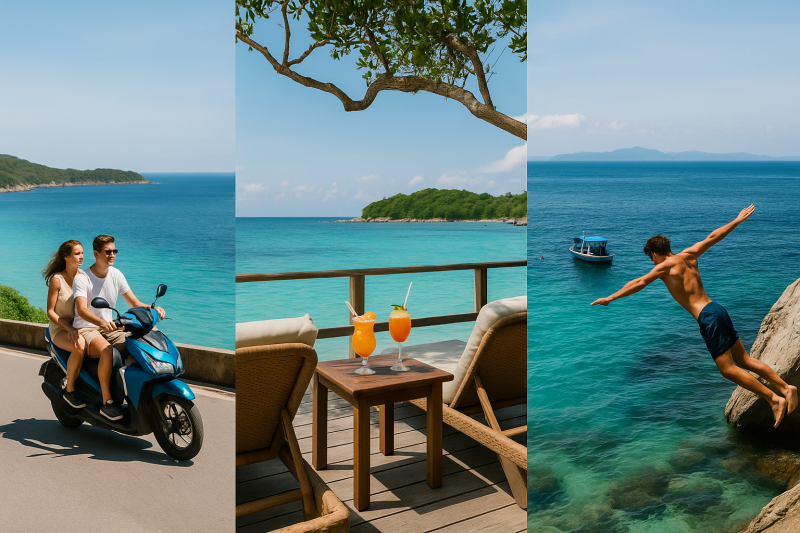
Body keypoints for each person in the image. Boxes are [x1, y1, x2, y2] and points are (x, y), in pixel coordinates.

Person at [591, 205, 798, 428]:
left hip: (707, 317)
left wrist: (610, 298)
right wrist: (737, 221)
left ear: (654, 253)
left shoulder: (665, 266)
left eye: (651, 258)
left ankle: (774, 399)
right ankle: (786, 388)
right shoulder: (689, 255)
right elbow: (712, 237)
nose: (652, 262)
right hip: (717, 308)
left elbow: (638, 282)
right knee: (744, 360)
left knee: (727, 369)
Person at [72, 235, 166, 421]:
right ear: (96, 253)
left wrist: (154, 309)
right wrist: (101, 323)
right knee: (108, 352)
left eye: (115, 251)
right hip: (88, 329)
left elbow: (134, 302)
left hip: (112, 328)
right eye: (108, 252)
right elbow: (82, 310)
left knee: (139, 344)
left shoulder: (116, 274)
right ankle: (107, 403)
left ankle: (130, 388)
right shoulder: (82, 278)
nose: (112, 255)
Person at [43, 240, 88, 410]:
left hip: (81, 325)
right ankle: (70, 390)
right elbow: (50, 311)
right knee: (80, 345)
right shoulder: (57, 279)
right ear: (66, 256)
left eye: (82, 253)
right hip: (60, 328)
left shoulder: (84, 277)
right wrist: (69, 328)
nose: (81, 256)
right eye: (77, 253)